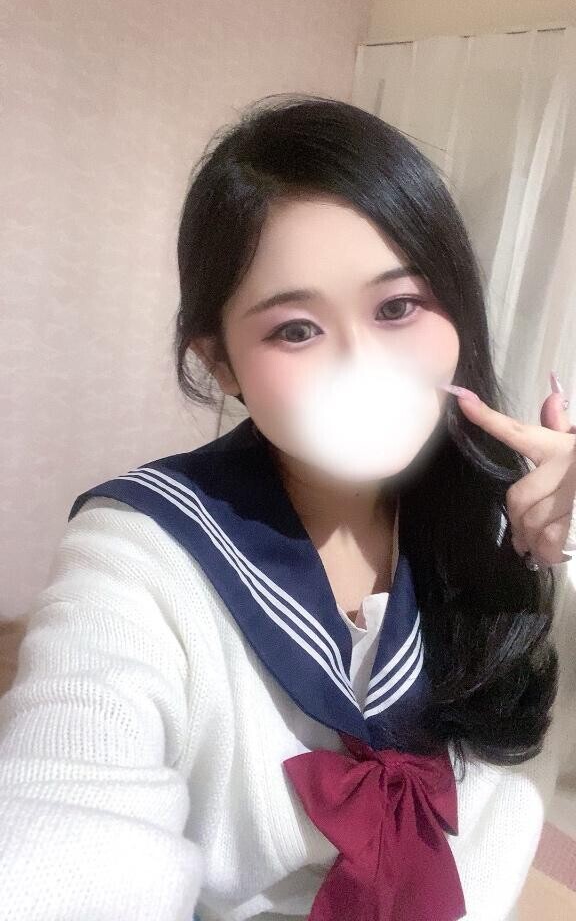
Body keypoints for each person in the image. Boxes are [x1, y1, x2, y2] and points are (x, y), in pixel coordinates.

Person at [0, 94, 575, 921]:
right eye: (297, 330)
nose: (363, 365)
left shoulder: (504, 517)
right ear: (221, 362)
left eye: (398, 307)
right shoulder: (140, 552)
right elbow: (67, 818)